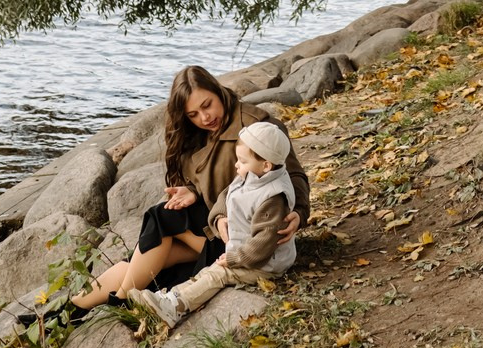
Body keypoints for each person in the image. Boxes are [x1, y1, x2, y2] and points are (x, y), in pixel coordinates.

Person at [72, 65, 308, 309]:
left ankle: (120, 300)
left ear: (218, 91)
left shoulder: (258, 128)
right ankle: (68, 311)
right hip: (215, 220)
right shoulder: (195, 133)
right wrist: (192, 191)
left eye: (207, 105)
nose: (204, 118)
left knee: (159, 219)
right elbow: (213, 183)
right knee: (152, 251)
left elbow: (293, 175)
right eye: (193, 114)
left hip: (243, 234)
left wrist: (299, 213)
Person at [132, 120, 297, 327]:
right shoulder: (252, 175)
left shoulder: (272, 197)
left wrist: (235, 258)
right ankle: (171, 298)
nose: (237, 165)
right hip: (243, 250)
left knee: (219, 274)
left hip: (265, 263)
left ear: (266, 165)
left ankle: (175, 308)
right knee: (208, 271)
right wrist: (219, 216)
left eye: (242, 161)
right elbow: (226, 194)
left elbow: (265, 241)